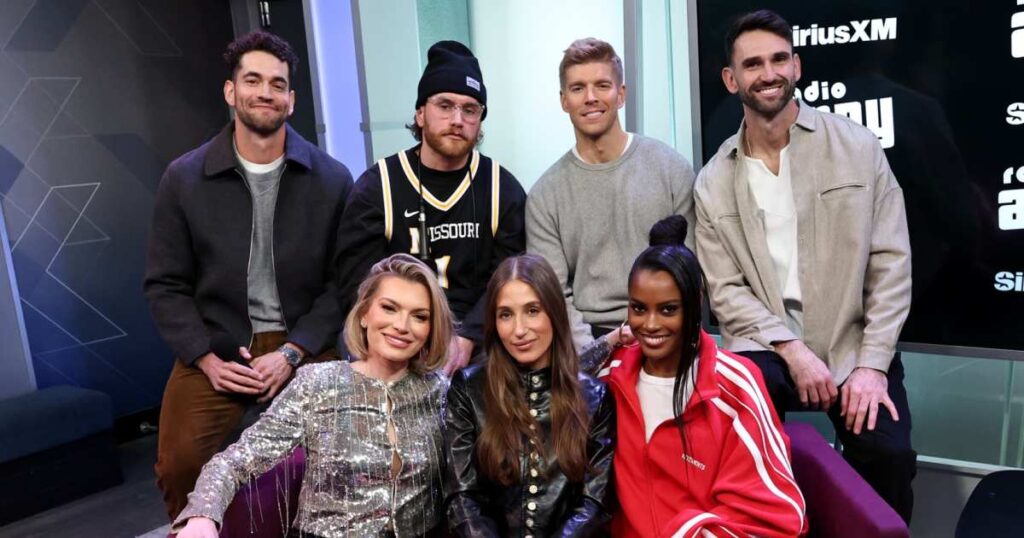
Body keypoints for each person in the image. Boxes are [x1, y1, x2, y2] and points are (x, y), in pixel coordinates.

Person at [694, 10, 915, 522]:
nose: (768, 73)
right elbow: (725, 291)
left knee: (889, 454)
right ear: (731, 79)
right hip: (767, 347)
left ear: (797, 66)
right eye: (752, 64)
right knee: (734, 441)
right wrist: (791, 349)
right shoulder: (713, 180)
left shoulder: (857, 147)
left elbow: (891, 263)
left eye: (778, 59)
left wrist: (871, 366)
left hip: (851, 345)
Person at [143, 31, 353, 520]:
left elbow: (344, 283)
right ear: (230, 91)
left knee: (336, 460)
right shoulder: (184, 178)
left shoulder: (332, 179)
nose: (265, 92)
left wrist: (293, 351)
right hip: (218, 346)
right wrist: (204, 358)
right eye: (253, 80)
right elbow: (165, 284)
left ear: (291, 100)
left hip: (306, 344)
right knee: (180, 464)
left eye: (277, 84)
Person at [172, 254, 454, 538]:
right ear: (364, 314)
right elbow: (235, 462)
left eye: (419, 316)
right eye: (389, 308)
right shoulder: (317, 383)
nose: (402, 325)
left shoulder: (439, 390)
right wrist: (203, 514)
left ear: (431, 329)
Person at [598, 216, 805, 537]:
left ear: (696, 304)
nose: (650, 324)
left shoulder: (736, 384)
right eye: (638, 309)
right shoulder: (612, 378)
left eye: (668, 309)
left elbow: (776, 518)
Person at [337, 40, 526, 374]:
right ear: (420, 113)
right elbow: (358, 286)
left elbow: (508, 282)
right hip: (397, 332)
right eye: (445, 106)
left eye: (470, 110)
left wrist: (468, 337)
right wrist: (412, 337)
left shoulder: (502, 188)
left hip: (476, 337)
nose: (457, 119)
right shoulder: (378, 187)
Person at [527, 37, 696, 351]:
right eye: (578, 88)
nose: (590, 97)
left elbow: (691, 274)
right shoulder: (544, 196)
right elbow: (554, 294)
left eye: (602, 86)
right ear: (564, 100)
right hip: (590, 340)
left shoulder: (671, 170)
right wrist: (597, 353)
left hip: (665, 331)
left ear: (621, 94)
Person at [444, 254, 615, 537]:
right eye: (505, 315)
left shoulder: (594, 397)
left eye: (532, 310)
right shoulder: (469, 389)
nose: (519, 330)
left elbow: (594, 502)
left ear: (554, 312)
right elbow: (462, 498)